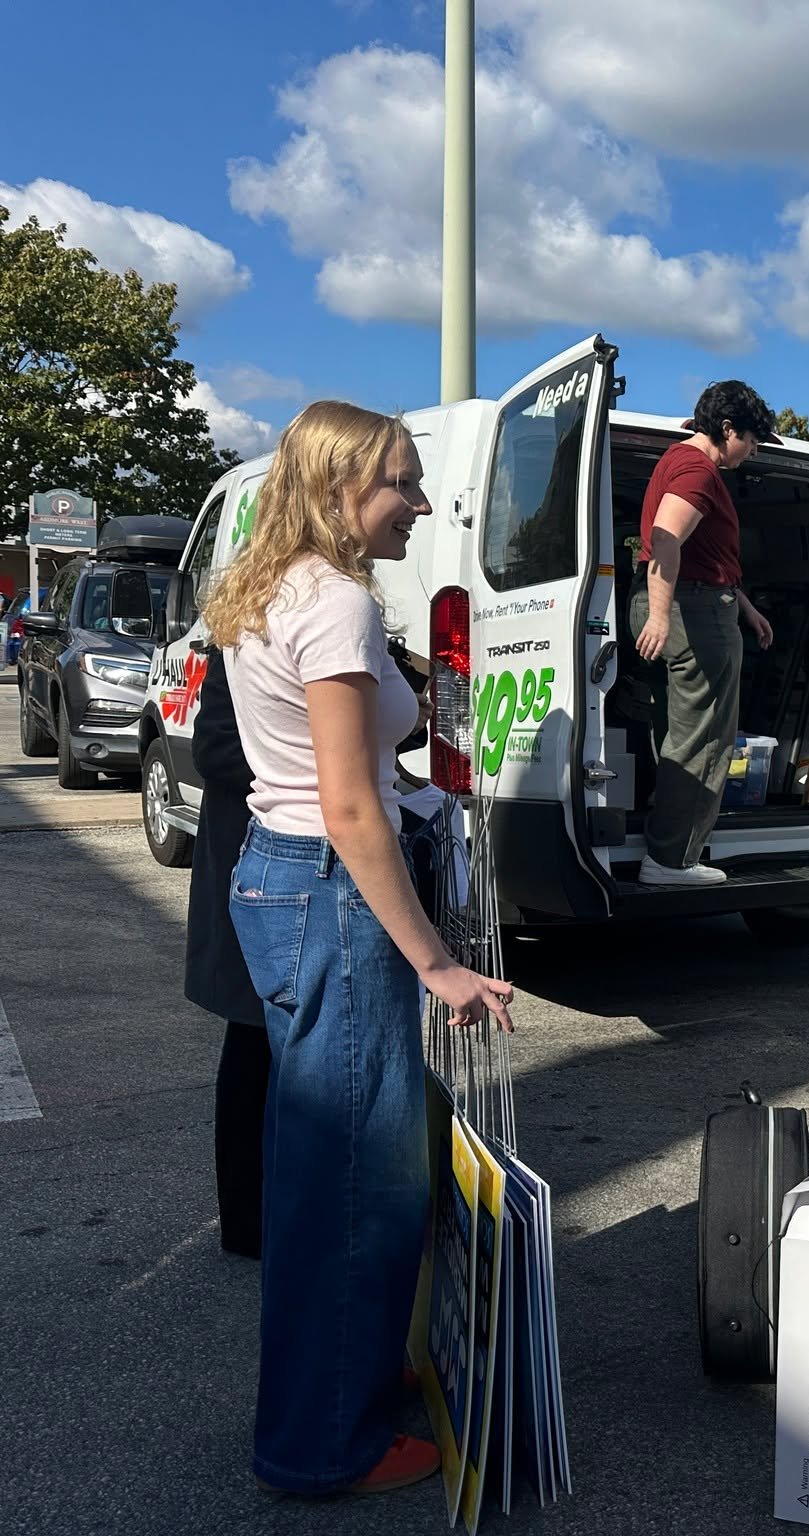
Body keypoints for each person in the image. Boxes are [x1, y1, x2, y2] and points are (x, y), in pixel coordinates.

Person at [204, 400, 513, 1497]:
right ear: (340, 487)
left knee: (315, 1171)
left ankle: (324, 1410)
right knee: (357, 1187)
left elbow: (331, 779)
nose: (420, 504)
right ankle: (322, 1448)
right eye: (402, 484)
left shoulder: (268, 583)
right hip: (330, 894)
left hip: (282, 883)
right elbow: (347, 807)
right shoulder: (330, 601)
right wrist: (437, 961)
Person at [630, 381, 779, 887]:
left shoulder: (676, 459)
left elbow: (701, 556)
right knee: (706, 737)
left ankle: (664, 841)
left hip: (691, 602)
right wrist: (661, 613)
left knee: (677, 733)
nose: (754, 452)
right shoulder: (698, 470)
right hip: (691, 613)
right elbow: (666, 539)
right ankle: (671, 859)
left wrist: (744, 608)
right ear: (728, 429)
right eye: (754, 440)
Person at [183, 646, 269, 1260]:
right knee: (252, 1045)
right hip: (253, 872)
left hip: (297, 874)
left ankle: (277, 1210)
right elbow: (215, 750)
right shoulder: (237, 644)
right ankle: (244, 1222)